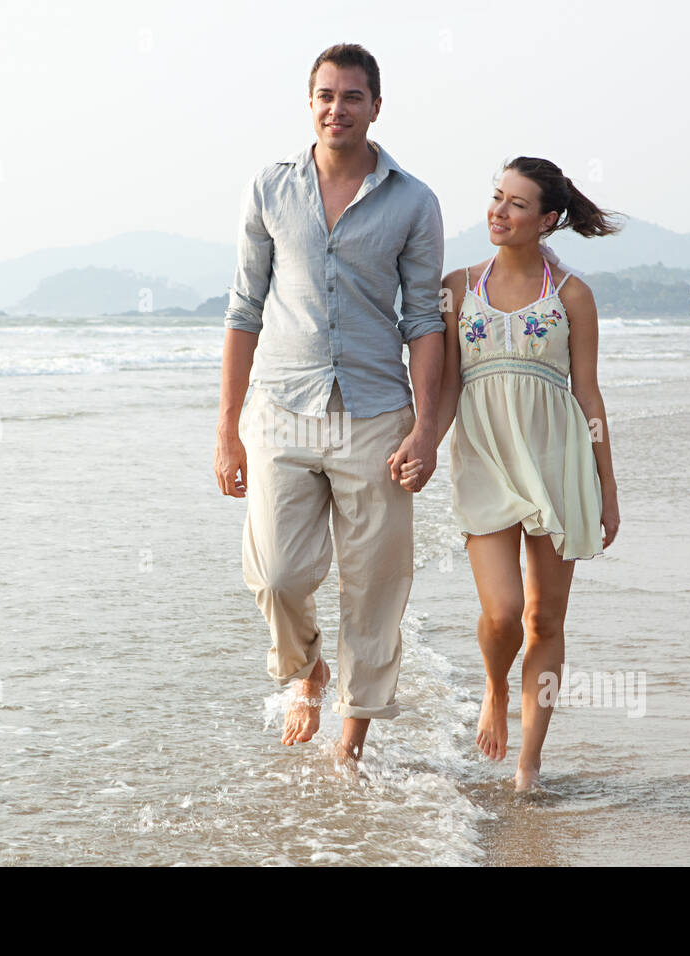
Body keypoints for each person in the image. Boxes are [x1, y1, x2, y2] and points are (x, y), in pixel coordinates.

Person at [213, 43, 444, 762]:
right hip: (280, 409)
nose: (336, 109)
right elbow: (245, 307)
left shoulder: (413, 201)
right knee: (277, 574)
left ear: (377, 105)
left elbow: (424, 322)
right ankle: (308, 667)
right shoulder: (270, 188)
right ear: (308, 103)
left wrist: (428, 432)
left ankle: (352, 740)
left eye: (351, 96)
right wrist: (227, 430)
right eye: (324, 96)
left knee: (374, 585)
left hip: (376, 414)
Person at [399, 157, 621, 790]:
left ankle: (529, 762)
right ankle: (494, 686)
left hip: (559, 469)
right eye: (497, 197)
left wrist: (608, 489)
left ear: (548, 219)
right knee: (501, 615)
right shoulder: (457, 286)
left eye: (517, 204)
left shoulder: (571, 295)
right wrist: (427, 443)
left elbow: (590, 397)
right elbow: (444, 389)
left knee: (545, 620)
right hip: (486, 466)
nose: (499, 210)